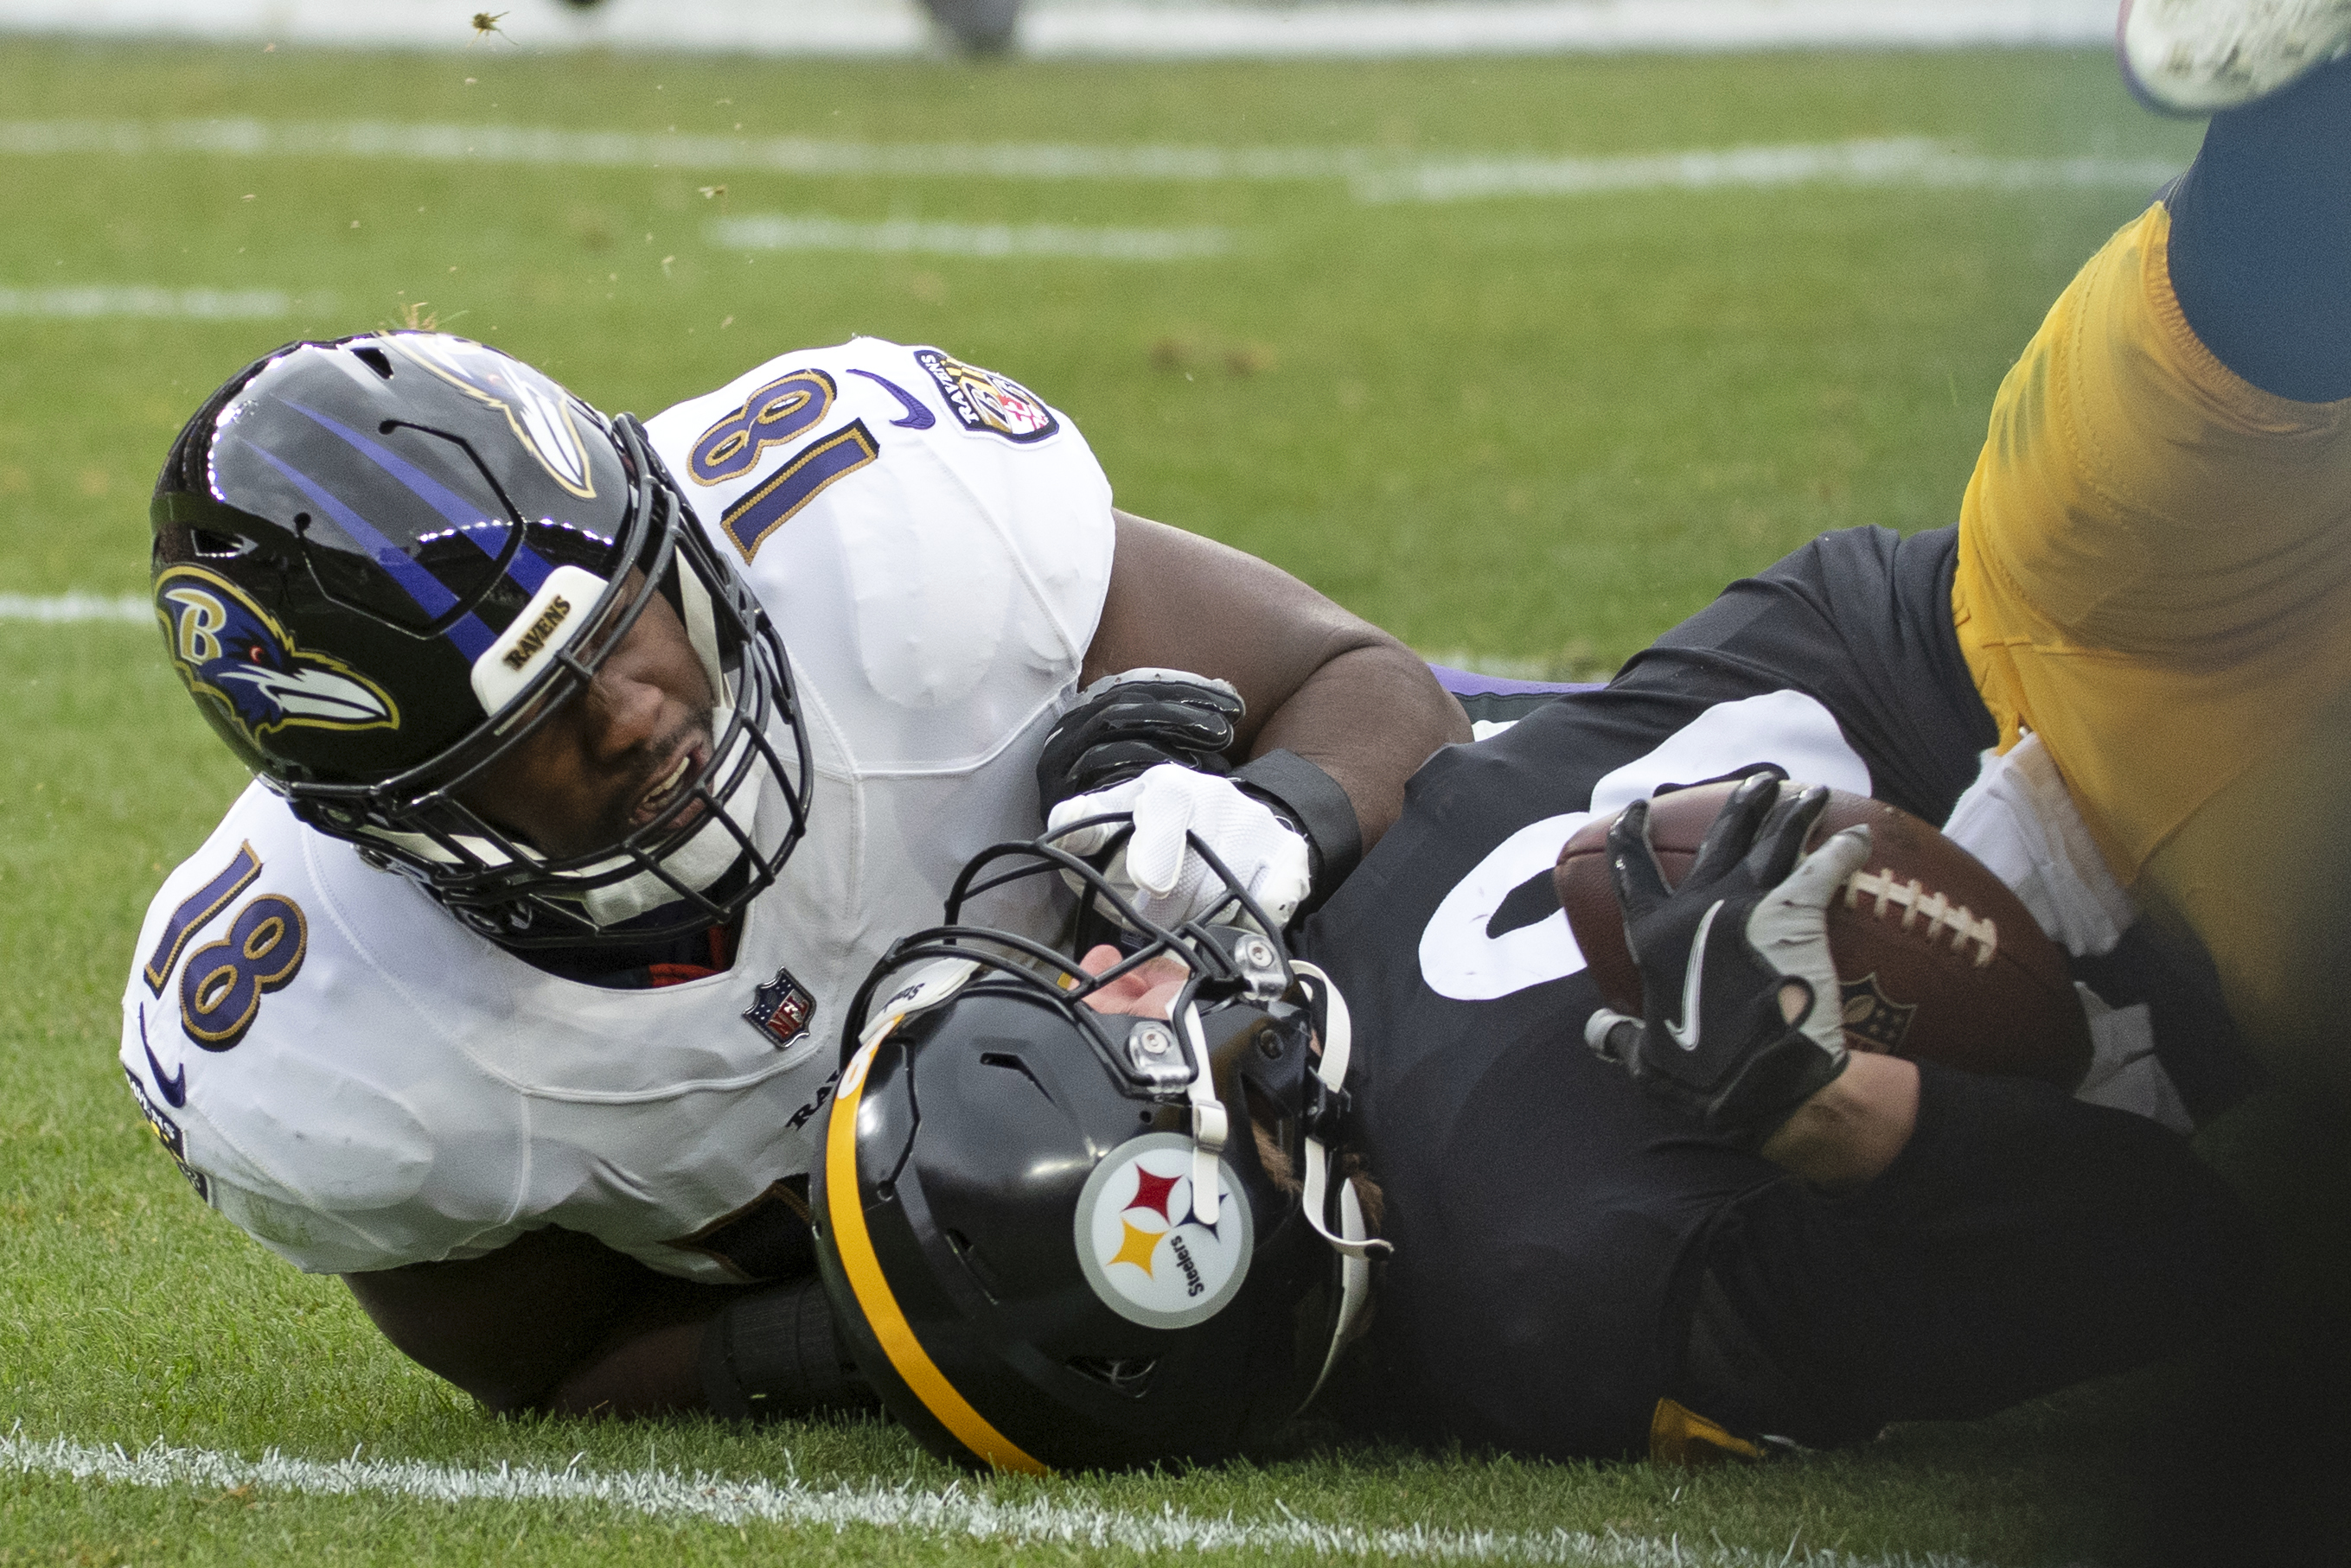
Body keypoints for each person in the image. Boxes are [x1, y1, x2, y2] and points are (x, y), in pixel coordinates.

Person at [118, 331, 1467, 1419]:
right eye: (537, 732)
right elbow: (552, 1363)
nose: (635, 715)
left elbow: (1368, 686)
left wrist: (1272, 830)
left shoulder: (876, 537)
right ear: (398, 825)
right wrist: (894, 1326)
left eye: (620, 630)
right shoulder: (333, 1037)